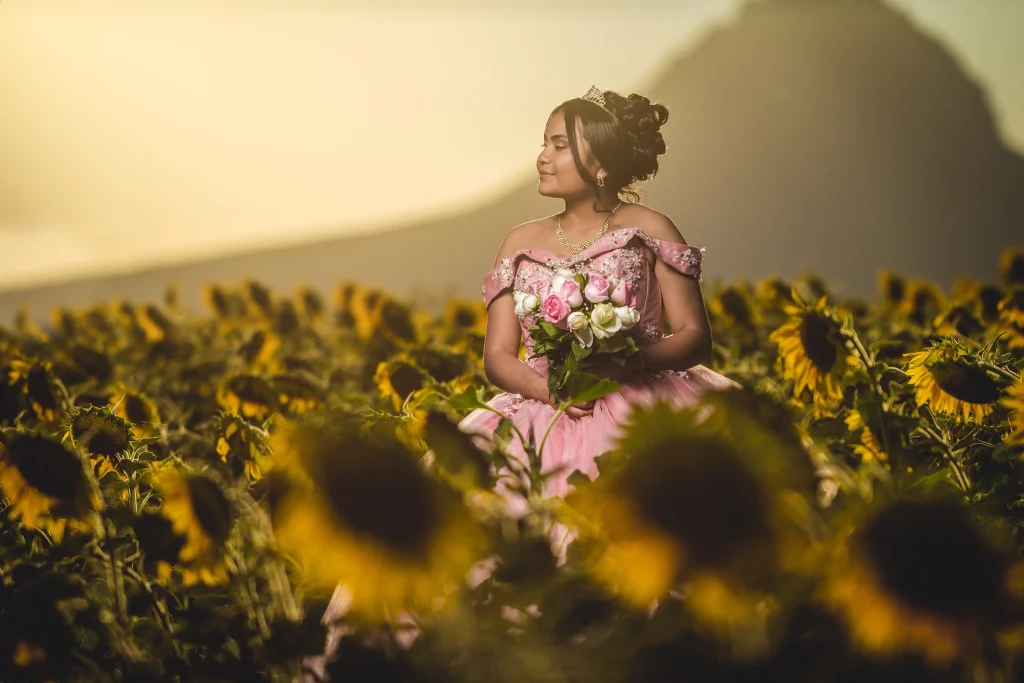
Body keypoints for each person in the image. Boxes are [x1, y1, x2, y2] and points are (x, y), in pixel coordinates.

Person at [457, 85, 741, 510]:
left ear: (602, 162)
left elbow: (695, 336)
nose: (542, 157)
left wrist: (628, 363)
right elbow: (498, 355)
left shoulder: (649, 227)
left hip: (640, 405)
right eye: (543, 144)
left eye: (559, 145)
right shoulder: (518, 241)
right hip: (544, 408)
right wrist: (552, 391)